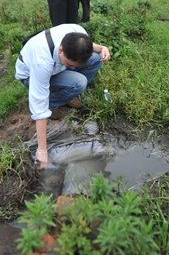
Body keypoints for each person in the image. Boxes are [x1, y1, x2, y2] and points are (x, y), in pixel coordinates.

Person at [15, 23, 111, 167]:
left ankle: (66, 93)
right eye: (69, 64)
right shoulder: (42, 61)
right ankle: (53, 102)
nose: (73, 68)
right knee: (79, 83)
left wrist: (103, 48)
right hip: (30, 75)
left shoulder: (78, 32)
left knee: (97, 59)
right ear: (61, 50)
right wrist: (42, 150)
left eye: (75, 66)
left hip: (56, 67)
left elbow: (90, 47)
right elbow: (38, 103)